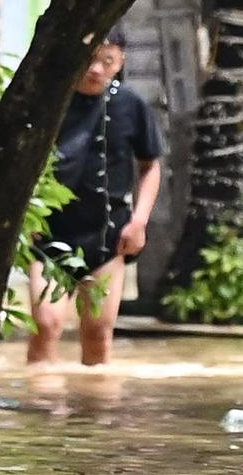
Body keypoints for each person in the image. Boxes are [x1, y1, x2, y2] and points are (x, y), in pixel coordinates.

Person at [27, 30, 163, 367]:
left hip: (106, 235)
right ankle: (40, 409)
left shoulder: (131, 105)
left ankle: (95, 415)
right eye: (90, 59)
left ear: (121, 62)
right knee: (46, 324)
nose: (97, 69)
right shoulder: (48, 102)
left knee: (98, 334)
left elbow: (150, 166)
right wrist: (24, 218)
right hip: (49, 232)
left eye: (107, 60)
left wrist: (139, 221)